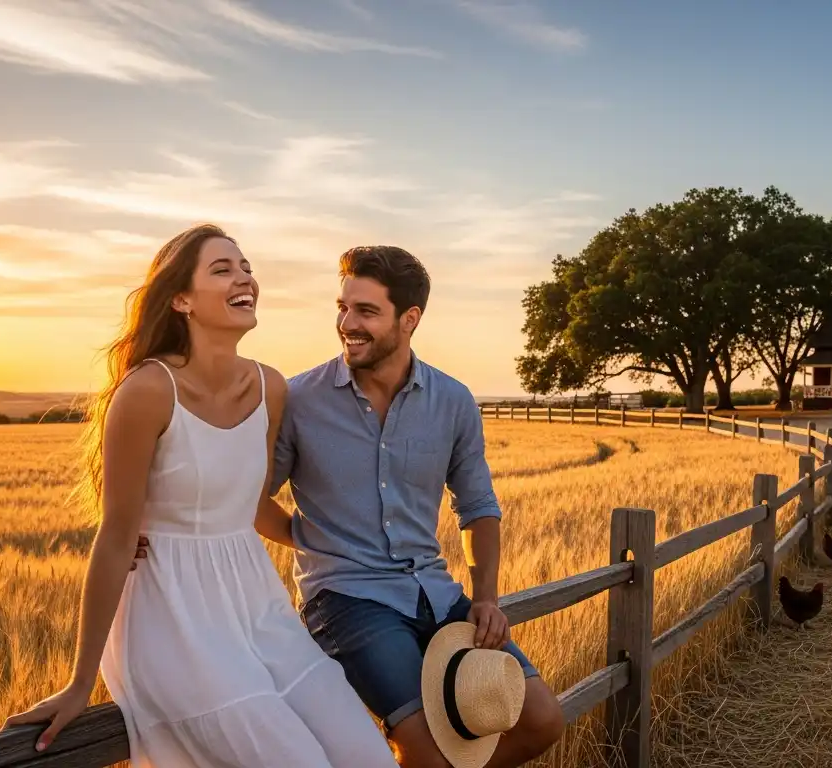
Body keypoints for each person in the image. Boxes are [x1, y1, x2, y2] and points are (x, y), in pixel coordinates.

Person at [138, 245, 566, 767]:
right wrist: (302, 536)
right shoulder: (298, 399)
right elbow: (244, 495)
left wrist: (487, 597)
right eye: (342, 307)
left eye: (365, 311)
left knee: (543, 719)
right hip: (346, 599)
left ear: (410, 320)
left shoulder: (452, 401)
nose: (346, 323)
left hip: (434, 591)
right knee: (426, 753)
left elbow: (477, 506)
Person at [3, 224, 399, 767]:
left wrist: (331, 542)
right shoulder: (146, 391)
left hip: (256, 607)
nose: (245, 278)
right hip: (173, 619)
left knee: (369, 759)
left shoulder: (269, 386)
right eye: (223, 269)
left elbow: (251, 505)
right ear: (181, 299)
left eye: (247, 268)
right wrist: (80, 681)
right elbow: (116, 536)